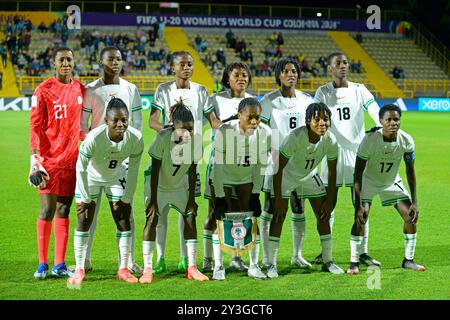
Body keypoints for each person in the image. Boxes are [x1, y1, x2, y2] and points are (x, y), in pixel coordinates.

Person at [313, 52, 381, 267]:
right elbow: (314, 116)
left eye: (345, 62)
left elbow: (374, 108)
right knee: (327, 206)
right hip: (330, 154)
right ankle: (326, 252)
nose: (342, 66)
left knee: (361, 204)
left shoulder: (359, 90)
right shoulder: (322, 92)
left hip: (357, 155)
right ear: (329, 68)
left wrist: (380, 124)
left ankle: (362, 251)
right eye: (337, 63)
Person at [80, 46, 143, 275]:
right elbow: (82, 123)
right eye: (110, 59)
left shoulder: (130, 88)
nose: (115, 62)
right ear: (100, 62)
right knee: (89, 212)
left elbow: (136, 121)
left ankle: (128, 261)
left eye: (118, 59)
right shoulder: (91, 90)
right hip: (96, 162)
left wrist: (126, 150)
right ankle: (84, 261)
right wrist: (90, 146)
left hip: (120, 161)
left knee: (126, 213)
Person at [69, 98, 144, 285]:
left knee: (124, 219)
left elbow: (134, 170)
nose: (120, 124)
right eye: (115, 120)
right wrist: (84, 198)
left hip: (115, 177)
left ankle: (123, 269)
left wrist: (127, 198)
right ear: (106, 121)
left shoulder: (136, 138)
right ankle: (79, 269)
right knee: (84, 219)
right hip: (90, 178)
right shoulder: (94, 138)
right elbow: (80, 168)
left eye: (124, 120)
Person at [266, 102, 344, 278]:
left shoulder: (330, 140)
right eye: (317, 119)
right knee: (279, 216)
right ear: (308, 121)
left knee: (323, 215)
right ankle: (271, 264)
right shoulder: (295, 137)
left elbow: (332, 172)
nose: (322, 123)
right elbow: (278, 168)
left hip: (308, 176)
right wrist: (278, 199)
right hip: (285, 175)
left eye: (326, 119)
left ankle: (328, 260)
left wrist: (330, 199)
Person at [149, 51, 208, 274]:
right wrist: (169, 131)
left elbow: (211, 117)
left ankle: (186, 259)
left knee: (188, 210)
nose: (187, 67)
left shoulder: (201, 90)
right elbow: (152, 120)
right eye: (182, 64)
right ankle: (160, 258)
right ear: (172, 67)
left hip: (191, 157)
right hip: (167, 154)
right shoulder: (163, 89)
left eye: (190, 64)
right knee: (161, 213)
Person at [347, 104, 425, 274]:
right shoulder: (369, 140)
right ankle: (353, 262)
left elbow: (410, 172)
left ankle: (408, 260)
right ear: (381, 121)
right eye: (388, 119)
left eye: (396, 119)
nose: (393, 123)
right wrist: (358, 204)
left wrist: (415, 202)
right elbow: (358, 174)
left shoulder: (406, 140)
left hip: (391, 181)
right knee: (361, 218)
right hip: (368, 181)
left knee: (410, 217)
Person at [29, 47, 85, 279]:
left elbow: (82, 123)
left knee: (64, 209)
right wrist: (34, 158)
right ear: (53, 63)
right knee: (47, 209)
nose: (65, 63)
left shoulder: (79, 88)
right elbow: (35, 125)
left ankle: (59, 264)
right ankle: (42, 263)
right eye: (61, 59)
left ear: (73, 62)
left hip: (72, 161)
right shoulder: (43, 90)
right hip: (49, 161)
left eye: (69, 59)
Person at [141, 102, 207, 283]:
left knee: (190, 217)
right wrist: (153, 200)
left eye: (191, 129)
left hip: (179, 185)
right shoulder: (163, 138)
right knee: (152, 219)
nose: (187, 134)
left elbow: (192, 172)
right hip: (158, 186)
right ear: (173, 126)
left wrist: (192, 199)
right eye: (182, 129)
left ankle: (191, 267)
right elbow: (155, 171)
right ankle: (148, 268)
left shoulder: (196, 141)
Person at [259, 58, 315, 270]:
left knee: (299, 207)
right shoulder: (268, 101)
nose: (291, 74)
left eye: (294, 71)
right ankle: (267, 257)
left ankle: (297, 255)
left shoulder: (306, 101)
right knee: (271, 208)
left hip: (300, 164)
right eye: (286, 71)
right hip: (275, 163)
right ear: (278, 75)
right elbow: (261, 131)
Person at [201, 62, 254, 274]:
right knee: (214, 212)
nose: (241, 78)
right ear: (227, 78)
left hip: (243, 164)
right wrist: (232, 122)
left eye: (245, 75)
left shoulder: (252, 101)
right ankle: (207, 258)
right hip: (219, 162)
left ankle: (236, 257)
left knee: (241, 212)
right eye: (236, 75)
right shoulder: (215, 99)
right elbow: (213, 124)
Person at [211, 97, 271, 280]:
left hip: (246, 178)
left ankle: (253, 265)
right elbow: (218, 166)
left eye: (258, 117)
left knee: (251, 219)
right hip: (225, 177)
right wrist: (220, 196)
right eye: (249, 117)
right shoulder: (225, 131)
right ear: (239, 115)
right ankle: (218, 266)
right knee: (221, 221)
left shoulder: (265, 132)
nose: (254, 121)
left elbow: (260, 165)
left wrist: (255, 194)